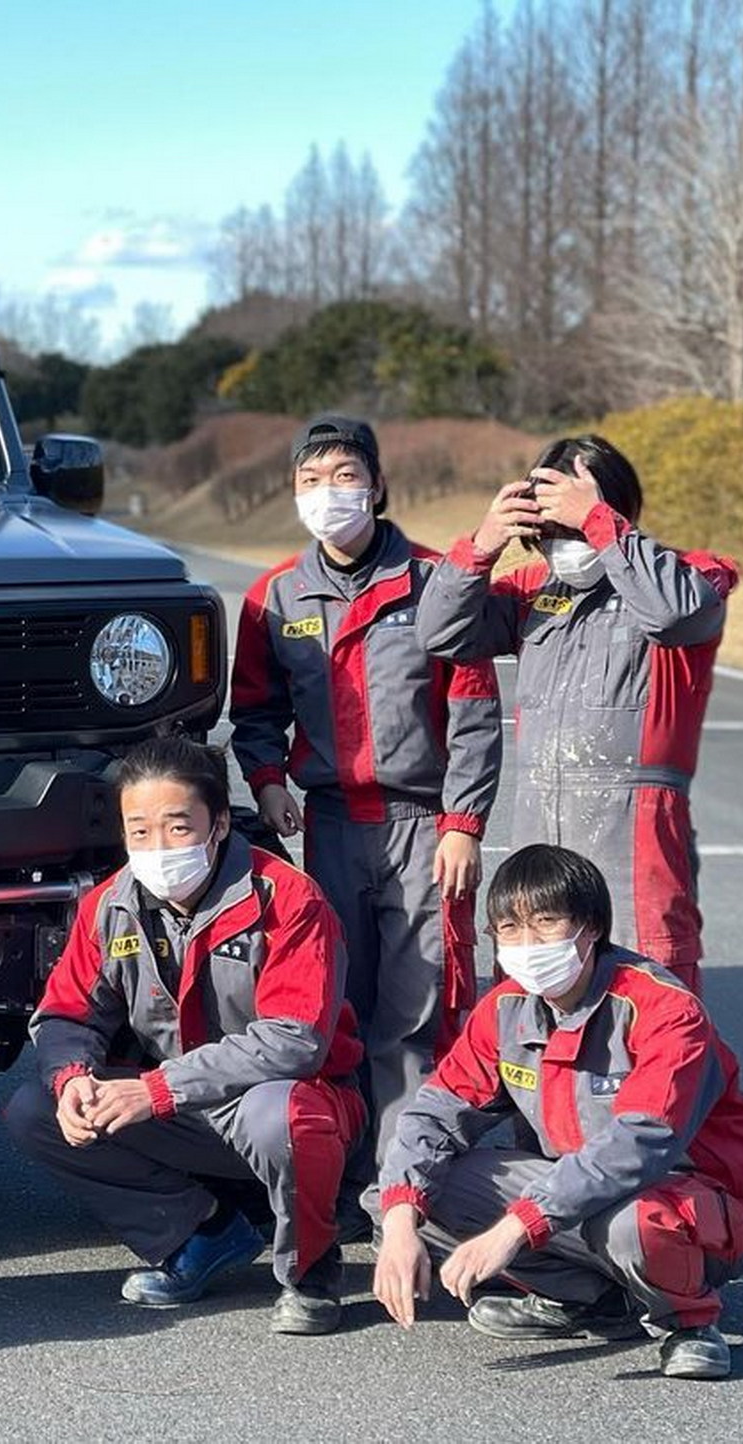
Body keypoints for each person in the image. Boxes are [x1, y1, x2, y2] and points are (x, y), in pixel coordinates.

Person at [228, 414, 502, 1216]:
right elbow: (254, 709)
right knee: (339, 1002)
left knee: (416, 1011)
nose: (327, 495)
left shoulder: (437, 581)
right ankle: (340, 1166)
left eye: (344, 476)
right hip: (329, 825)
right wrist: (266, 778)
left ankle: (405, 1180)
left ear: (378, 486)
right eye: (309, 482)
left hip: (423, 825)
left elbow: (476, 709)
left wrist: (464, 823)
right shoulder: (274, 593)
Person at [4, 737, 367, 1335]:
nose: (156, 848)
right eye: (138, 832)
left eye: (177, 827)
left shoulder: (288, 899)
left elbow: (296, 1040)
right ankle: (202, 1234)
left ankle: (312, 1271)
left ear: (219, 822)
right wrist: (72, 1080)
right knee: (37, 1109)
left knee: (283, 1118)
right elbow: (66, 1015)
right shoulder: (108, 906)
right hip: (185, 1105)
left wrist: (157, 1089)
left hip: (292, 1101)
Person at [372, 845, 743, 1380]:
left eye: (545, 924)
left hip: (692, 1200)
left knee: (636, 1224)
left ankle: (689, 1322)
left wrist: (517, 1225)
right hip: (573, 1195)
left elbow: (641, 1141)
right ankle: (589, 1300)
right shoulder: (505, 1009)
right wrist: (401, 1222)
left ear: (590, 927)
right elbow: (435, 1114)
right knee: (403, 1196)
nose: (528, 945)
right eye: (510, 929)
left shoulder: (663, 1009)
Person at [414, 435, 736, 993]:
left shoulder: (688, 576)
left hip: (635, 830)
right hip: (542, 821)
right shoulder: (531, 589)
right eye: (551, 525)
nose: (563, 540)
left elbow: (674, 616)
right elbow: (440, 632)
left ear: (615, 507)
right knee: (537, 978)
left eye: (573, 522)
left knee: (648, 983)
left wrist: (598, 524)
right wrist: (483, 544)